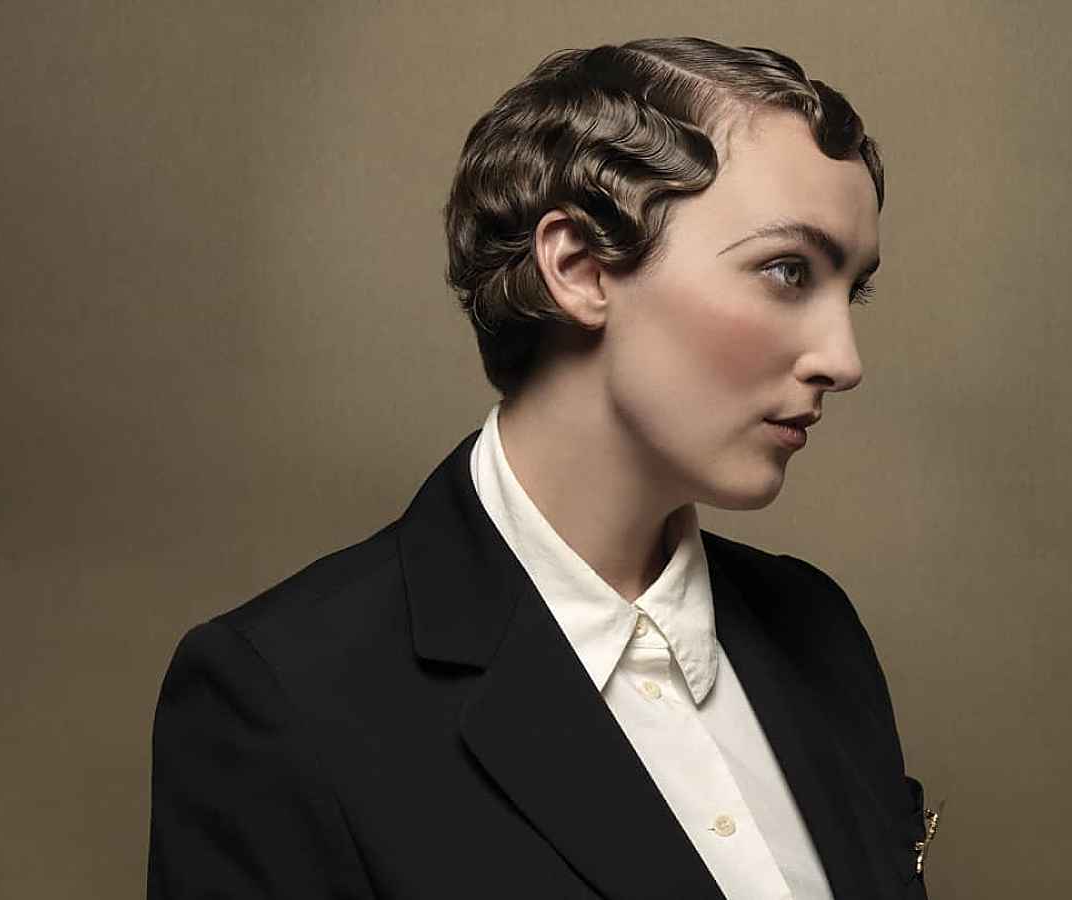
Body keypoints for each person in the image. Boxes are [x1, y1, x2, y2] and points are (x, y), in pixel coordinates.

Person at [147, 36, 930, 900]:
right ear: (579, 268)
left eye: (851, 290)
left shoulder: (816, 629)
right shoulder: (282, 696)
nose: (843, 360)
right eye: (787, 272)